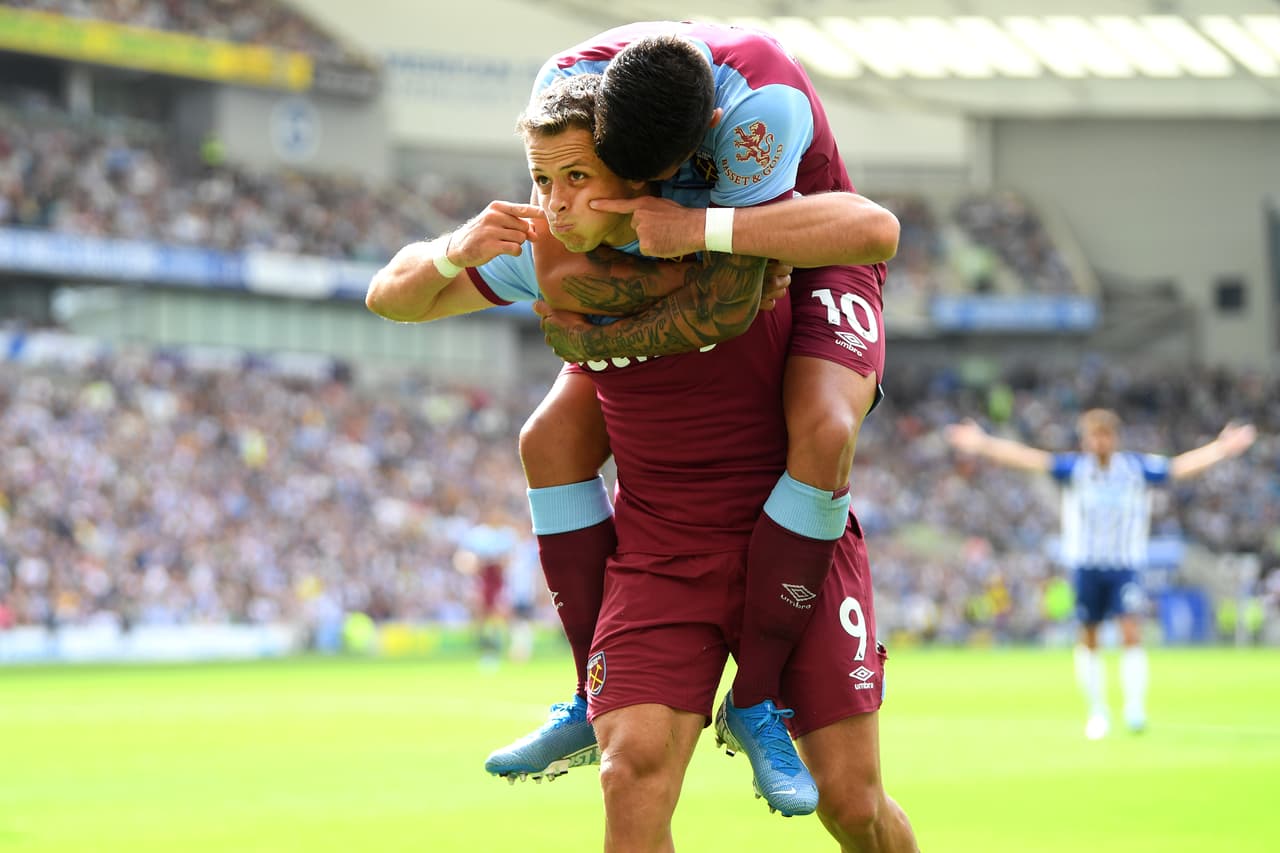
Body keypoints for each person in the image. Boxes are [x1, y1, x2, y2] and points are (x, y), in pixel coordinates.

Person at [368, 74, 918, 850]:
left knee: (852, 806)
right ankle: (584, 698)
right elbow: (390, 296)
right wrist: (453, 248)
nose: (555, 203)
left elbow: (871, 229)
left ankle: (754, 704)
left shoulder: (734, 219)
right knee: (630, 774)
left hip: (795, 542)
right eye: (543, 180)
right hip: (659, 553)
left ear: (637, 174)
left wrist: (720, 233)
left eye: (578, 179)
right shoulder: (545, 249)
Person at [485, 21, 897, 812]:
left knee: (824, 431)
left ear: (704, 137)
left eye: (668, 173)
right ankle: (588, 692)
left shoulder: (757, 116)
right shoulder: (560, 92)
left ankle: (760, 698)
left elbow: (744, 291)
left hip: (797, 243)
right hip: (673, 250)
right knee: (550, 438)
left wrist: (692, 226)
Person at [945, 409, 1256, 739]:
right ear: (1085, 440)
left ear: (1115, 438)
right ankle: (1097, 711)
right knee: (1089, 637)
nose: (1099, 442)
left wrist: (1222, 448)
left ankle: (1135, 708)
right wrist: (982, 443)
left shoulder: (1135, 469)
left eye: (1105, 435)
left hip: (1124, 565)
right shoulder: (1076, 469)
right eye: (1093, 436)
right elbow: (1028, 459)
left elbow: (1179, 467)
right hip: (1086, 565)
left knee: (1130, 630)